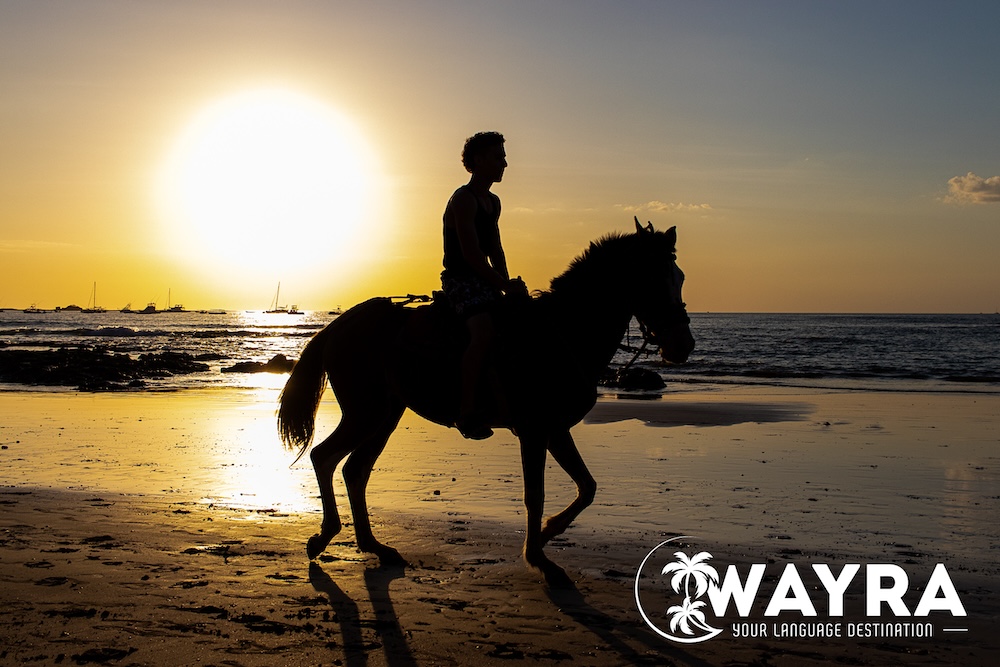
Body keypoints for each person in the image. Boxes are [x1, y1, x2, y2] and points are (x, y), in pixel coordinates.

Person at [441, 131, 518, 439]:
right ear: (478, 161)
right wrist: (501, 284)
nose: (505, 163)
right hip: (461, 280)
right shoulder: (463, 199)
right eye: (498, 157)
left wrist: (509, 285)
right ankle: (466, 410)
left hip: (485, 280)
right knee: (483, 332)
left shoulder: (492, 202)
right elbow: (472, 255)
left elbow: (495, 250)